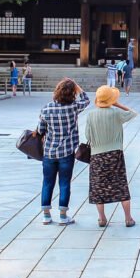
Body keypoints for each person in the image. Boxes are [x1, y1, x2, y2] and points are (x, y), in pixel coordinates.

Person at [37, 78, 90, 226]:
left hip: (49, 152)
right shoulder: (73, 107)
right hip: (67, 153)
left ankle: (46, 215)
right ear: (72, 93)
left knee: (47, 182)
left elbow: (40, 130)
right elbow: (86, 100)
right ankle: (63, 215)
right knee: (64, 183)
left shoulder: (46, 108)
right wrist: (77, 87)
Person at [85, 85, 137, 228]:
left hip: (97, 155)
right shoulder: (116, 113)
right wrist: (117, 104)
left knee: (98, 185)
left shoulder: (90, 115)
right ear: (111, 100)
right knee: (120, 184)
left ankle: (102, 218)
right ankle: (128, 218)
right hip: (115, 154)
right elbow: (133, 113)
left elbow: (87, 136)